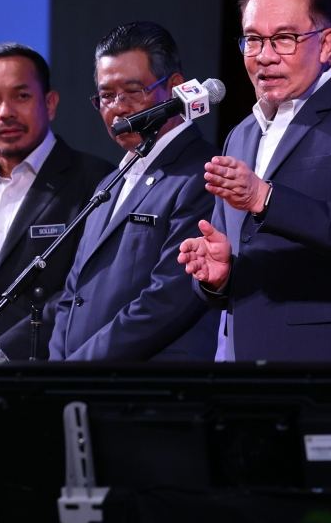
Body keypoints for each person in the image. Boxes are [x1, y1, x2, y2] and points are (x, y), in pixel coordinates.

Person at [178, 0, 331, 362]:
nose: (265, 56)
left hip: (328, 366)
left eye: (284, 39)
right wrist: (220, 276)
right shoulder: (241, 135)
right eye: (253, 40)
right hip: (240, 368)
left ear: (326, 43)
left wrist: (264, 197)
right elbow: (238, 256)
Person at [0, 43, 111, 523]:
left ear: (49, 103)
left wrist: (1, 360)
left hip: (52, 415)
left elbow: (89, 295)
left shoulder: (98, 182)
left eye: (21, 96)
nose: (5, 112)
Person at [49, 22, 219, 362]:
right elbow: (73, 293)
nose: (118, 108)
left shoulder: (203, 174)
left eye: (133, 91)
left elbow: (168, 299)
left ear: (175, 89)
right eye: (107, 96)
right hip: (85, 393)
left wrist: (76, 370)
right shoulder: (110, 182)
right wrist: (57, 373)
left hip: (149, 394)